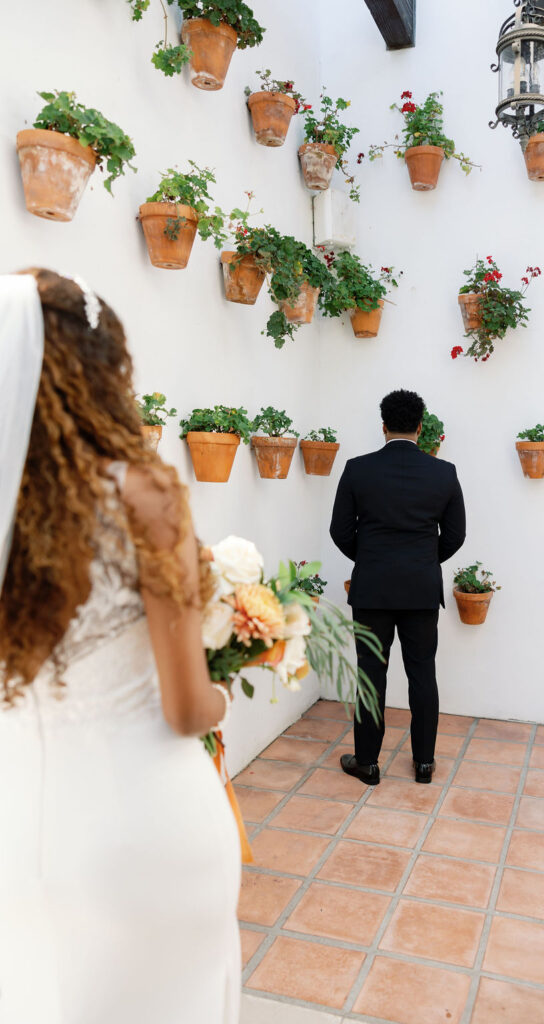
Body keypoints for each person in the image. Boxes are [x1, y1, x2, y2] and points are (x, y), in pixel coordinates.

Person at [0, 270, 241, 1023]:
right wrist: (223, 691)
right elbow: (183, 710)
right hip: (148, 828)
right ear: (101, 371)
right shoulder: (144, 493)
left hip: (29, 824)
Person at [330, 389, 466, 785]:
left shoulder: (358, 469)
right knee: (423, 673)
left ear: (384, 426)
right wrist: (423, 562)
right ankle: (424, 763)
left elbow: (340, 531)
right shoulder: (444, 473)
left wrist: (371, 559)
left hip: (372, 588)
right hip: (421, 589)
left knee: (371, 674)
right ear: (421, 428)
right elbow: (455, 535)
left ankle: (368, 763)